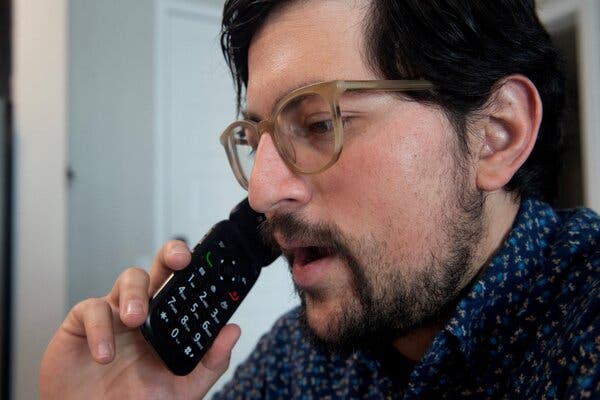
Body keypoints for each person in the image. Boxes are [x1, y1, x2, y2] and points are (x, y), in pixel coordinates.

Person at [40, 0, 600, 398]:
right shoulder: (297, 359)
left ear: (496, 134)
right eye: (256, 140)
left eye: (316, 122)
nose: (261, 194)